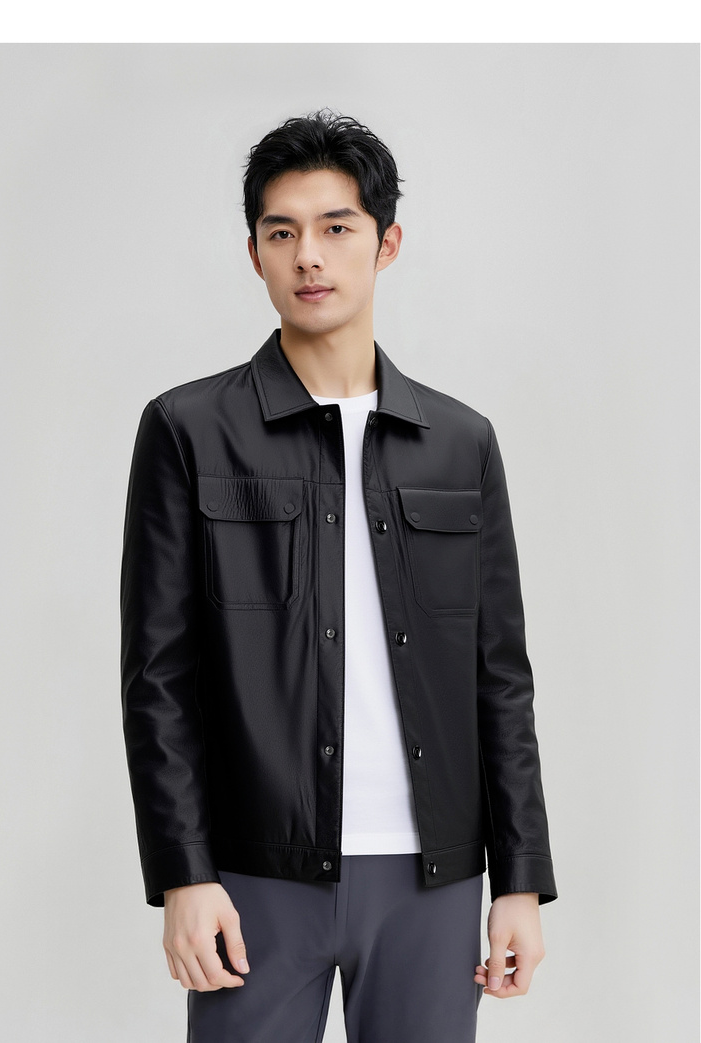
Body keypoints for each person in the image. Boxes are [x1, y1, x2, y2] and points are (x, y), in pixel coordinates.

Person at [120, 109, 557, 1043]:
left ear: (386, 243)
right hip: (255, 877)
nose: (308, 256)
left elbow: (499, 678)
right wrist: (184, 872)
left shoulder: (462, 443)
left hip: (432, 880)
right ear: (254, 255)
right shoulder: (187, 430)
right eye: (281, 233)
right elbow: (158, 676)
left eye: (336, 227)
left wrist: (519, 878)